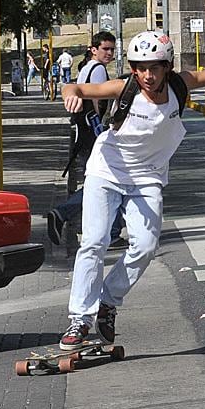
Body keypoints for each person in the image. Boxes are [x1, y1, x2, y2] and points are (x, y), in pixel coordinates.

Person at [58, 30, 205, 350]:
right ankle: (80, 318)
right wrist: (70, 93)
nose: (147, 74)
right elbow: (78, 87)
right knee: (94, 241)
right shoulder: (125, 87)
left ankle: (108, 301)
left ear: (167, 67)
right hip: (106, 172)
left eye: (155, 67)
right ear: (133, 68)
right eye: (140, 67)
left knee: (145, 245)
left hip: (147, 178)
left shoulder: (177, 85)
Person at [47, 32, 127, 251]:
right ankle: (67, 213)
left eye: (112, 49)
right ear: (94, 49)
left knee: (104, 180)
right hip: (93, 132)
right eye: (105, 49)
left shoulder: (85, 68)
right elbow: (97, 102)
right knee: (106, 180)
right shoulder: (98, 69)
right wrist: (105, 129)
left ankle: (111, 231)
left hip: (82, 132)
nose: (109, 53)